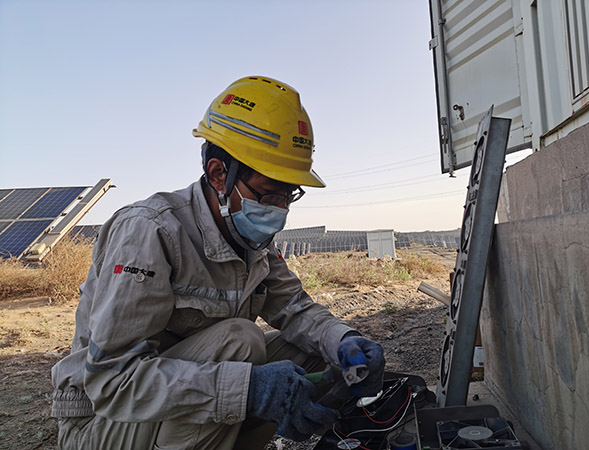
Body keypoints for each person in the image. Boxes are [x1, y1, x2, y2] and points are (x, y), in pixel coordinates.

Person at [51, 75, 385, 450]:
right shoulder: (150, 231)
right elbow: (112, 383)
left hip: (172, 411)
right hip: (105, 421)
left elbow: (295, 309)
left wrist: (345, 341)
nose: (279, 210)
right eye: (268, 195)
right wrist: (249, 389)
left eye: (288, 196)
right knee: (241, 343)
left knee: (310, 350)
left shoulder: (250, 240)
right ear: (219, 174)